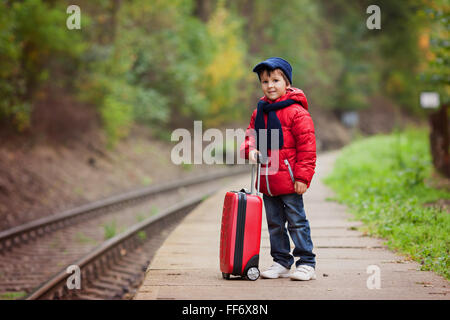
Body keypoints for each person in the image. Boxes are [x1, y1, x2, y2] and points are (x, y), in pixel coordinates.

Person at [240, 57, 317, 280]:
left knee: (296, 221)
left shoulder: (297, 112)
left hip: (291, 180)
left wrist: (303, 176)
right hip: (267, 180)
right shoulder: (260, 112)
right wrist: (251, 150)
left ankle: (306, 263)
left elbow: (307, 148)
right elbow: (250, 136)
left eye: (275, 80)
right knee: (274, 223)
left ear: (287, 83)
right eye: (265, 82)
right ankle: (281, 261)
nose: (270, 86)